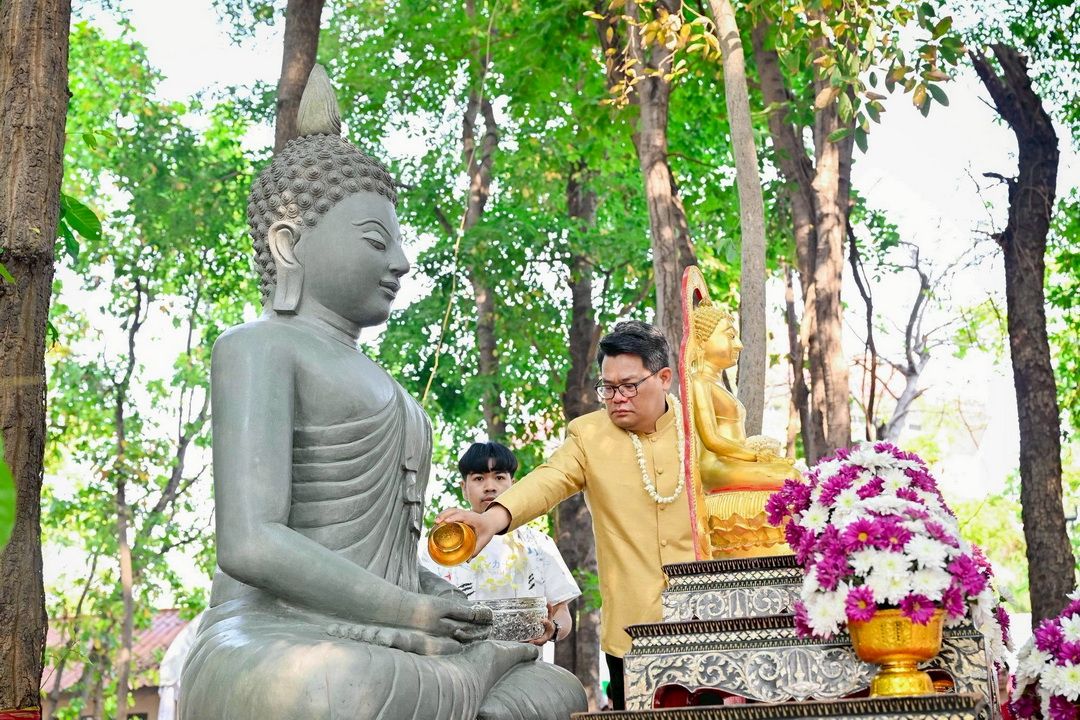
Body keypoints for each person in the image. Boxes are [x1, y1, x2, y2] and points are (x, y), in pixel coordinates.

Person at [178, 65, 586, 720]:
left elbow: (391, 561)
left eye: (398, 241)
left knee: (556, 685)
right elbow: (251, 544)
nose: (400, 262)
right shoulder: (258, 347)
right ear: (288, 244)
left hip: (388, 635)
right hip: (279, 635)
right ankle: (470, 685)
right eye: (376, 240)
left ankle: (470, 681)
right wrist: (412, 612)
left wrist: (447, 606)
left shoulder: (388, 387)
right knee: (326, 686)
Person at [437, 321, 696, 710]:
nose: (616, 398)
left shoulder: (702, 426)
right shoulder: (589, 436)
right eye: (608, 388)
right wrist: (491, 520)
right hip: (632, 633)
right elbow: (548, 480)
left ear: (664, 378)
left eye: (628, 386)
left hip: (709, 621)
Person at [419, 442, 580, 661]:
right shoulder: (442, 546)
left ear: (514, 485)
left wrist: (553, 629)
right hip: (460, 667)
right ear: (464, 488)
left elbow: (562, 612)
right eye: (478, 478)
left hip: (525, 667)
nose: (489, 486)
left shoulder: (539, 544)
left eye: (499, 477)